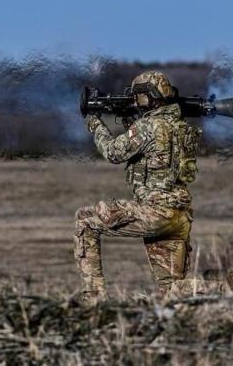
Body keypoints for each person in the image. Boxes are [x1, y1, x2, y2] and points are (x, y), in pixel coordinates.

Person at [74, 71, 201, 301]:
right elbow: (155, 153)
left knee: (85, 221)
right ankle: (229, 287)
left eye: (139, 98)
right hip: (179, 215)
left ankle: (93, 298)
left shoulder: (148, 127)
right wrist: (130, 119)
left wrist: (94, 122)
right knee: (172, 293)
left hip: (154, 213)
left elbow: (113, 152)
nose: (136, 102)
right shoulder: (180, 126)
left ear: (149, 97)